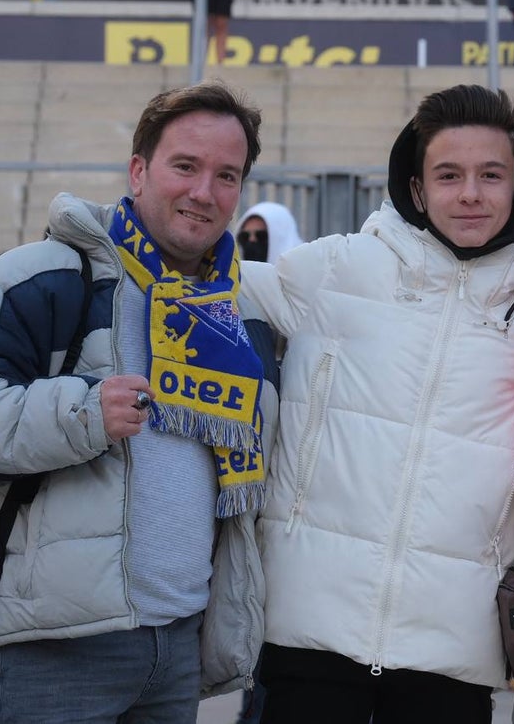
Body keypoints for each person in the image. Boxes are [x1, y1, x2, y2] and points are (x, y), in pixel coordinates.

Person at [0, 81, 280, 724]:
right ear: (139, 170)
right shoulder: (44, 275)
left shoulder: (241, 313)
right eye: (185, 166)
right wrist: (82, 414)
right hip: (51, 649)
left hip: (177, 648)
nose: (204, 192)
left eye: (226, 175)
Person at [238, 84, 514, 723]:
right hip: (309, 630)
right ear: (416, 188)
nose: (470, 193)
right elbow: (203, 282)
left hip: (454, 647)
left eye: (490, 175)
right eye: (449, 175)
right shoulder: (339, 268)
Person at [231, 200, 304, 724]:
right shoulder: (239, 304)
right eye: (245, 235)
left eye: (262, 235)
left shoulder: (305, 307)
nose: (251, 244)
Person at [236, 201, 305, 264]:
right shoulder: (235, 276)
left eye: (261, 236)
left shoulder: (304, 273)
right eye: (244, 236)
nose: (251, 240)